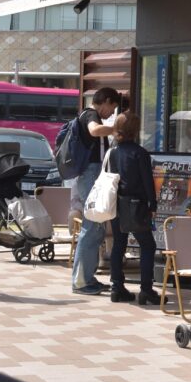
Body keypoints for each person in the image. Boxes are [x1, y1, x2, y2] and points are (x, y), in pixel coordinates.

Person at [72, 87, 121, 295]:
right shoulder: (91, 114)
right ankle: (81, 281)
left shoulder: (91, 115)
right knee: (91, 226)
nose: (111, 114)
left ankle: (88, 278)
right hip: (90, 174)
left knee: (96, 227)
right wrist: (116, 129)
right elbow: (94, 130)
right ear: (106, 101)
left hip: (91, 173)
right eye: (112, 108)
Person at [107, 112, 160, 305]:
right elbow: (147, 182)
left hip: (117, 204)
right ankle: (146, 290)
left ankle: (116, 287)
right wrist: (152, 204)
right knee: (148, 245)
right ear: (135, 130)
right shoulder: (140, 153)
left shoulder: (113, 152)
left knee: (118, 245)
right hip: (136, 204)